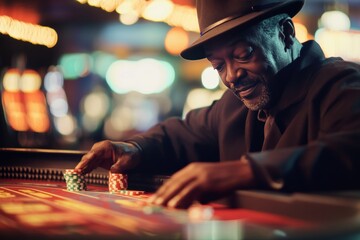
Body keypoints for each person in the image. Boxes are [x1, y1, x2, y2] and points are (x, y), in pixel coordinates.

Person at [75, 0, 360, 208]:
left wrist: (247, 170)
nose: (232, 76)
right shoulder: (233, 106)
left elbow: (348, 152)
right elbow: (180, 135)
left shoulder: (343, 85)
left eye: (244, 54)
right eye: (218, 66)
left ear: (285, 33)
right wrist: (134, 148)